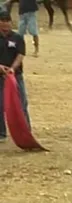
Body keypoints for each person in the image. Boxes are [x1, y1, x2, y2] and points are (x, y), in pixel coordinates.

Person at [0, 9, 30, 143]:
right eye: (3, 21)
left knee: (22, 103)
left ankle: (26, 131)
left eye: (8, 21)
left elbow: (21, 54)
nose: (6, 24)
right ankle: (1, 133)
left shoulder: (17, 37)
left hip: (15, 76)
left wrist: (12, 68)